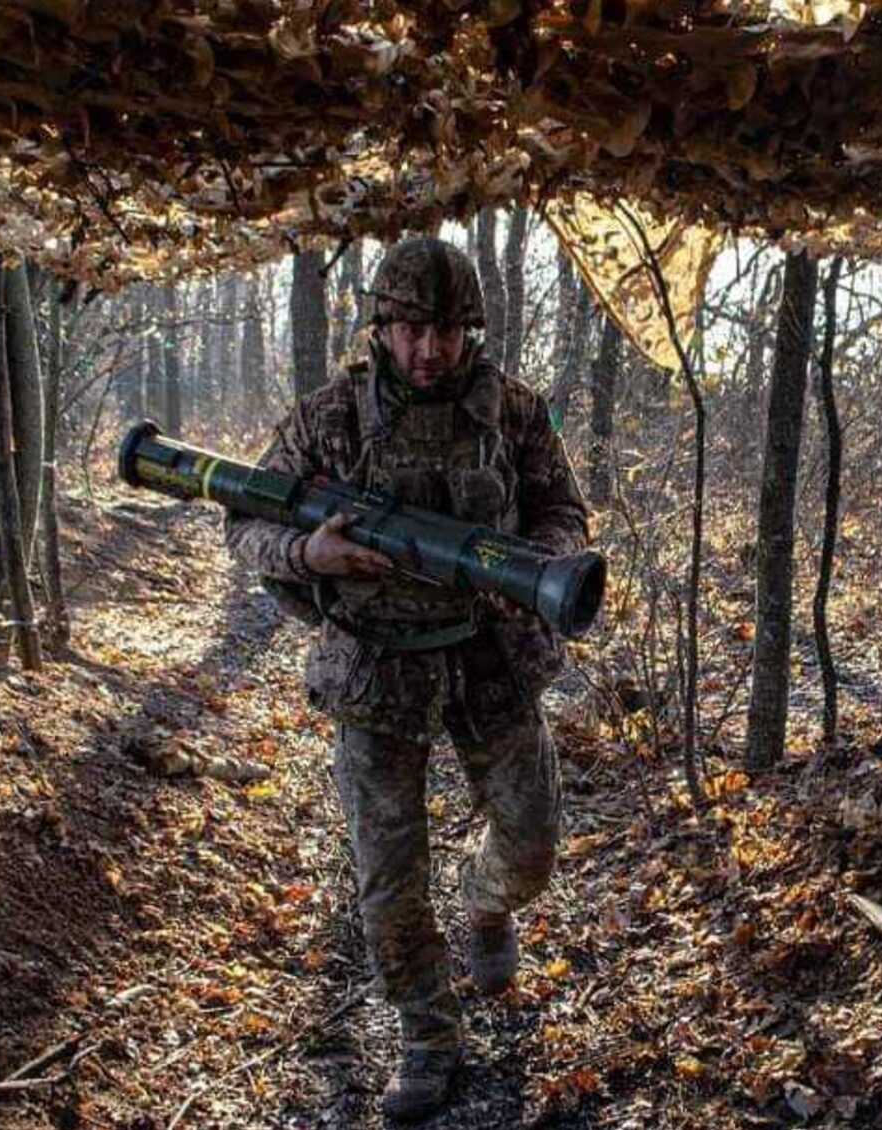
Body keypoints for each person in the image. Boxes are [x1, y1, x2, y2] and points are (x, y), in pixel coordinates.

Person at [223, 235, 591, 1120]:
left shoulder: (515, 412)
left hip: (489, 653)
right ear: (381, 327)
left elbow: (562, 509)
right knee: (388, 877)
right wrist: (308, 553)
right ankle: (428, 1036)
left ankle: (486, 906)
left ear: (471, 330)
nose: (430, 349)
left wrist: (544, 561)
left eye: (448, 331)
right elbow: (244, 521)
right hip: (375, 669)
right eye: (411, 329)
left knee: (533, 839)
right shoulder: (326, 420)